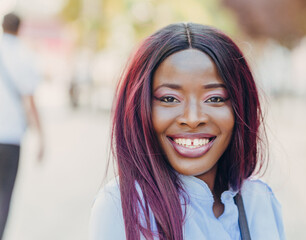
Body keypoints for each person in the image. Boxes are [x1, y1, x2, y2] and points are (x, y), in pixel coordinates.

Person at [89, 23, 285, 240]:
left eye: (215, 99)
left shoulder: (259, 201)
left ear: (241, 108)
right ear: (139, 108)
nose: (192, 119)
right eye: (169, 99)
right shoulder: (122, 207)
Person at [0, 13, 44, 239]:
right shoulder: (24, 56)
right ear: (20, 29)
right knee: (5, 192)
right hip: (11, 139)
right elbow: (31, 102)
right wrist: (42, 139)